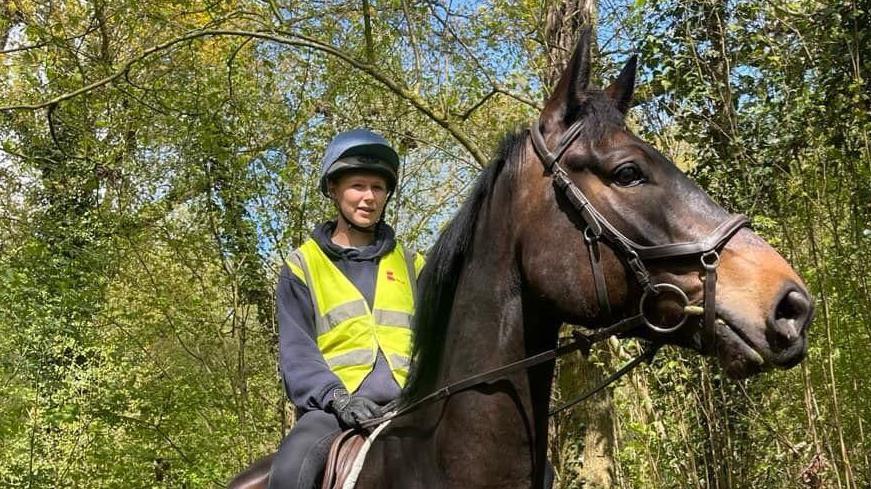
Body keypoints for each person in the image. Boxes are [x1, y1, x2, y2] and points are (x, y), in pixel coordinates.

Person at [269, 129, 424, 489]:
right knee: (289, 472)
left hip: (414, 402)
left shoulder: (414, 265)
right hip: (335, 411)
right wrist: (338, 399)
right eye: (357, 186)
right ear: (334, 190)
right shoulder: (302, 266)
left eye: (378, 188)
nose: (369, 197)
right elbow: (298, 353)